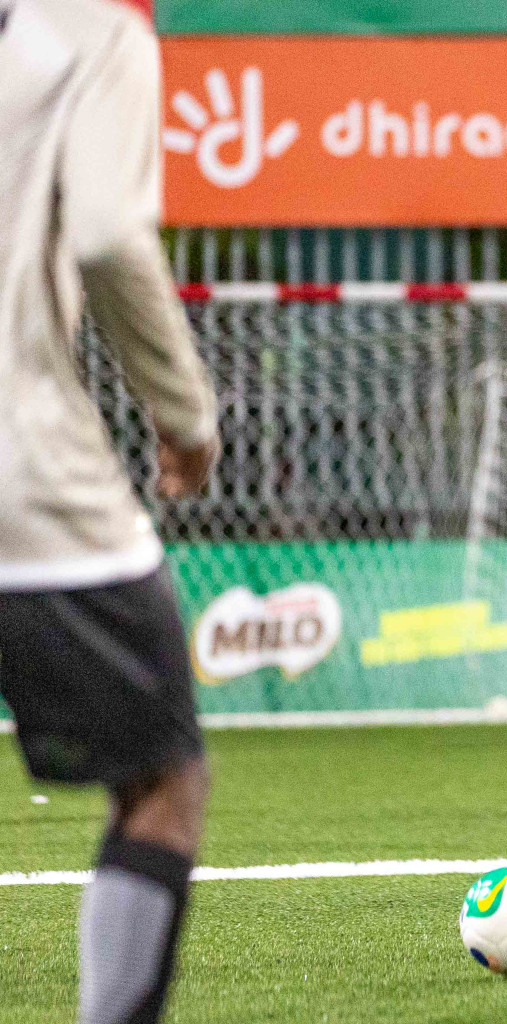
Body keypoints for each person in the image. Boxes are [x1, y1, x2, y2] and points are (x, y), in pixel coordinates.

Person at [0, 2, 221, 1023]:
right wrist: (184, 418)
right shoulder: (94, 33)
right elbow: (102, 233)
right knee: (161, 777)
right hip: (27, 482)